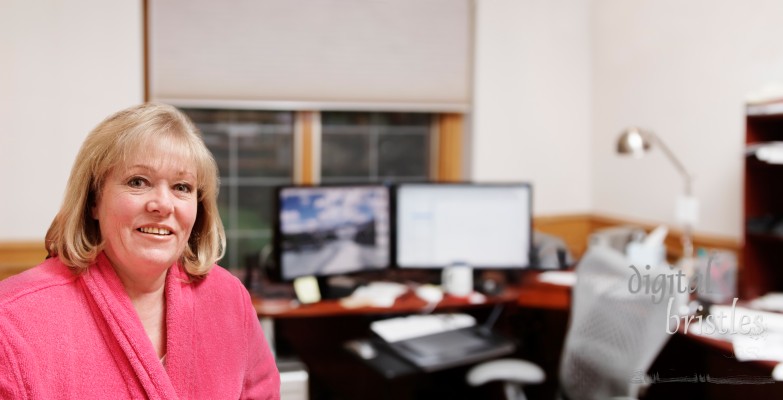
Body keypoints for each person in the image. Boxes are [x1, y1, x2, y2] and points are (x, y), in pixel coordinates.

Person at [0, 103, 280, 399]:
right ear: (94, 200)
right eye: (138, 182)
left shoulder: (229, 298)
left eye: (181, 187)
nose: (163, 204)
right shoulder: (12, 321)